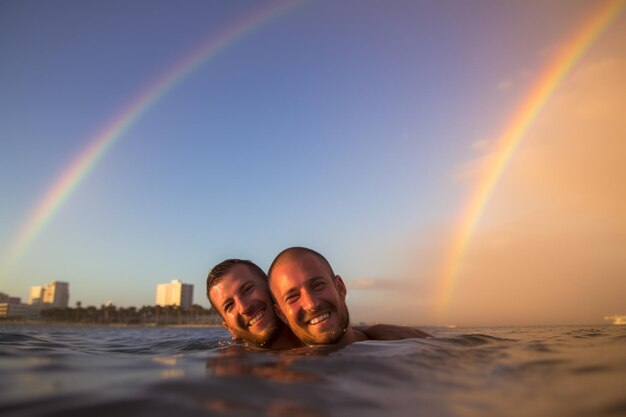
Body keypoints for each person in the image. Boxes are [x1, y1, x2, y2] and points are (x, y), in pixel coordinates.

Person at [267, 246, 430, 346]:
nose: (311, 304)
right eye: (293, 297)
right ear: (281, 314)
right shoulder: (283, 376)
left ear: (340, 287)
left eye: (317, 285)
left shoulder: (401, 343)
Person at [206, 259, 303, 350]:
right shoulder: (233, 365)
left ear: (271, 286)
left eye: (247, 289)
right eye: (229, 305)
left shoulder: (316, 334)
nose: (244, 308)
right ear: (230, 328)